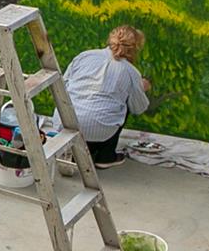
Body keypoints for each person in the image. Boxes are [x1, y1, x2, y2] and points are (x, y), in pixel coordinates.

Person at [64, 25, 151, 169]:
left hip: (64, 122)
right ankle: (106, 157)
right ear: (135, 48)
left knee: (90, 106)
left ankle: (76, 152)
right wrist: (140, 88)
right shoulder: (131, 72)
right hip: (100, 129)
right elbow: (138, 107)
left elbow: (64, 84)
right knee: (124, 104)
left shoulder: (85, 56)